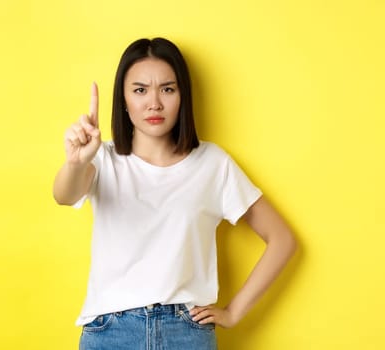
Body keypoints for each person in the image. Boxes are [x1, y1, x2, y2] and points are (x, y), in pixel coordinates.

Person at [52, 37, 297, 349]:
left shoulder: (213, 163)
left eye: (167, 89)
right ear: (123, 99)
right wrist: (76, 161)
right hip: (110, 333)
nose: (154, 102)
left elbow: (282, 239)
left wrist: (234, 313)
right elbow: (64, 195)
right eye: (140, 90)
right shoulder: (102, 157)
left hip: (186, 332)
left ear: (183, 96)